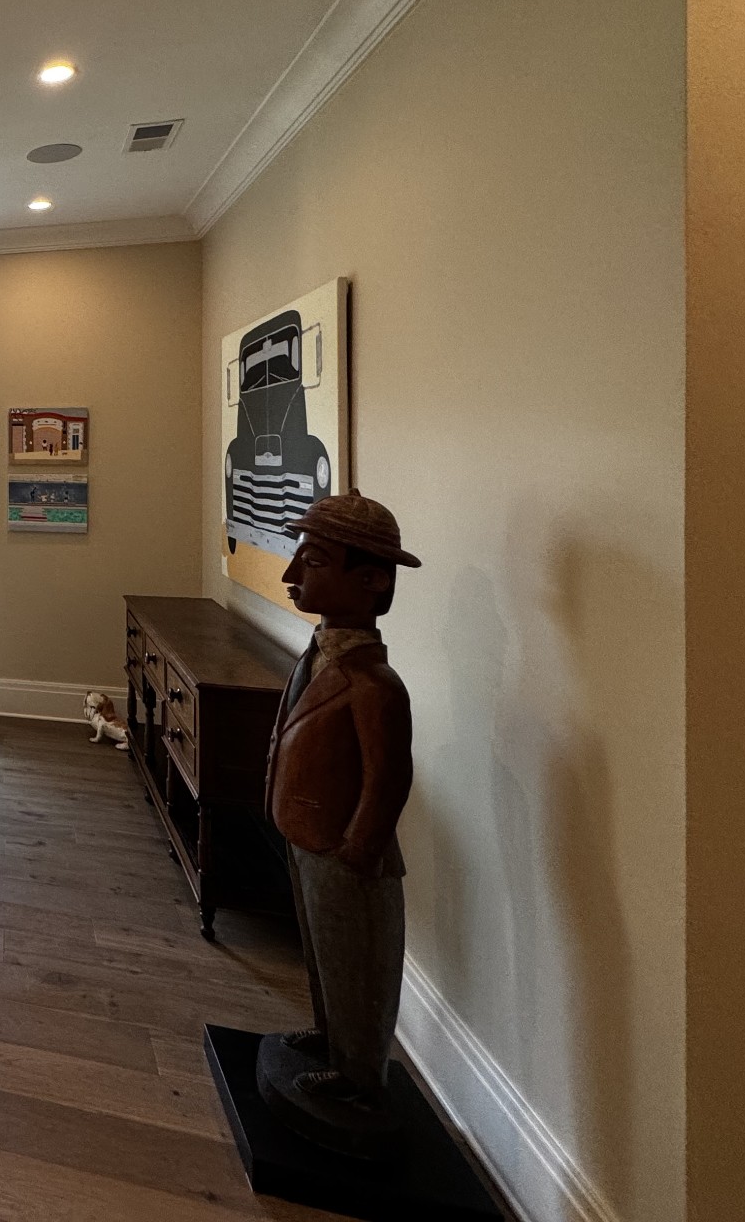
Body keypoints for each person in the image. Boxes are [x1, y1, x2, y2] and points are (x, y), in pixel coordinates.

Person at [258, 490, 420, 1155]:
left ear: (371, 581)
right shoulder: (321, 654)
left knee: (356, 960)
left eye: (311, 562)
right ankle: (329, 1040)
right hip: (307, 833)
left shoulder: (376, 684)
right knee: (323, 953)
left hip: (345, 850)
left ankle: (359, 1076)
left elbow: (390, 777)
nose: (293, 576)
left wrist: (359, 847)